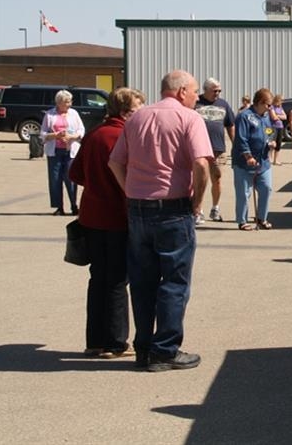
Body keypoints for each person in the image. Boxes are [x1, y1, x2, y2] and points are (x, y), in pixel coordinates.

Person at [108, 70, 213, 372]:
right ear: (181, 91)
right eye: (194, 92)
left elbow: (115, 161)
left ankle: (143, 349)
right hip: (173, 208)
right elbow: (201, 164)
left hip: (139, 208)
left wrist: (130, 188)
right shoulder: (189, 118)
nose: (196, 97)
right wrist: (198, 201)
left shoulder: (137, 118)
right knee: (174, 282)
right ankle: (165, 349)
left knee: (142, 282)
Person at [69, 87, 145, 358]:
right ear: (125, 112)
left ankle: (95, 340)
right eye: (137, 109)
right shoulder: (124, 136)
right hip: (117, 217)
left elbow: (75, 173)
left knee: (98, 278)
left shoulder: (94, 134)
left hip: (91, 216)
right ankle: (114, 342)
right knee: (116, 280)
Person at [232, 88, 276, 231]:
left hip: (263, 161)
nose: (270, 108)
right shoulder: (244, 116)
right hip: (244, 162)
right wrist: (248, 156)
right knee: (244, 193)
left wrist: (271, 141)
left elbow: (269, 131)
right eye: (268, 105)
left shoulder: (266, 116)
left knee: (266, 188)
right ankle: (242, 220)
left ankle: (262, 218)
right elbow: (241, 138)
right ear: (260, 102)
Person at [194, 77, 235, 224]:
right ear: (205, 90)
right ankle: (198, 211)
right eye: (214, 90)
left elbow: (230, 125)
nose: (217, 93)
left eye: (219, 91)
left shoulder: (223, 104)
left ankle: (215, 208)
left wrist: (235, 144)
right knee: (200, 180)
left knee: (216, 179)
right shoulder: (196, 103)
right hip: (199, 149)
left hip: (218, 149)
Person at [41, 89, 85, 215]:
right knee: (55, 179)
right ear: (59, 102)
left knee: (71, 179)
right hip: (54, 152)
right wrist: (55, 135)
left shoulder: (74, 113)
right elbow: (42, 133)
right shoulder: (49, 115)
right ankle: (59, 207)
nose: (69, 104)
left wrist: (72, 137)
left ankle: (73, 205)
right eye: (67, 102)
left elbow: (81, 130)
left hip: (70, 151)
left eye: (70, 101)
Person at [268, 94, 287, 165]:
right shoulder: (271, 107)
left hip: (280, 127)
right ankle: (270, 158)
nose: (282, 101)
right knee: (272, 143)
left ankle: (276, 160)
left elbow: (285, 117)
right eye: (281, 100)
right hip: (272, 127)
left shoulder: (280, 107)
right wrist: (279, 116)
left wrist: (278, 116)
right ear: (277, 99)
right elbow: (273, 117)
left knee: (278, 143)